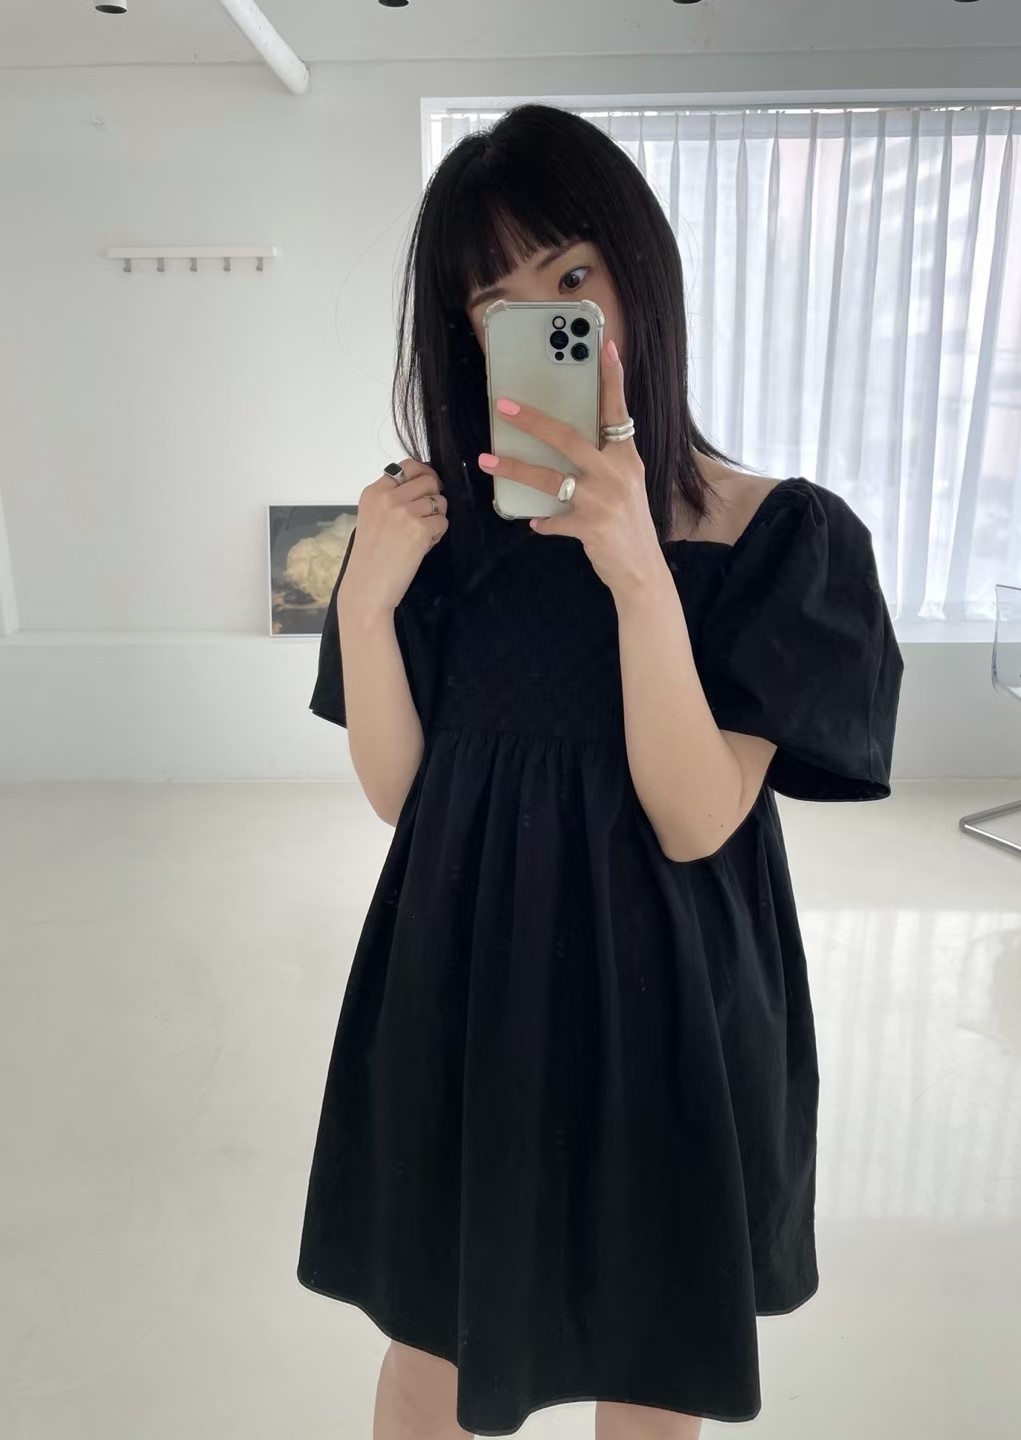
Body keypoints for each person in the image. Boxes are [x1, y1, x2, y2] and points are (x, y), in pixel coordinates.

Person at [297, 103, 904, 1440]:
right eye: (495, 302)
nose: (544, 321)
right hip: (469, 980)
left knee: (650, 1367)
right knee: (432, 1353)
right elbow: (403, 797)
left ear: (639, 272)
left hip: (670, 1003)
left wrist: (636, 569)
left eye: (570, 275)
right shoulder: (439, 533)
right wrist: (365, 602)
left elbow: (695, 816)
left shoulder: (778, 537)